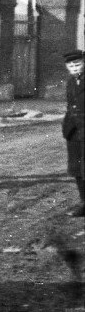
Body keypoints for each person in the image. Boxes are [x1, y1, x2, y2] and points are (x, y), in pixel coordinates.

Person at [63, 49, 85, 217]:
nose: (74, 68)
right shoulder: (70, 81)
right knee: (76, 168)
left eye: (77, 64)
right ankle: (84, 202)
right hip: (74, 130)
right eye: (71, 66)